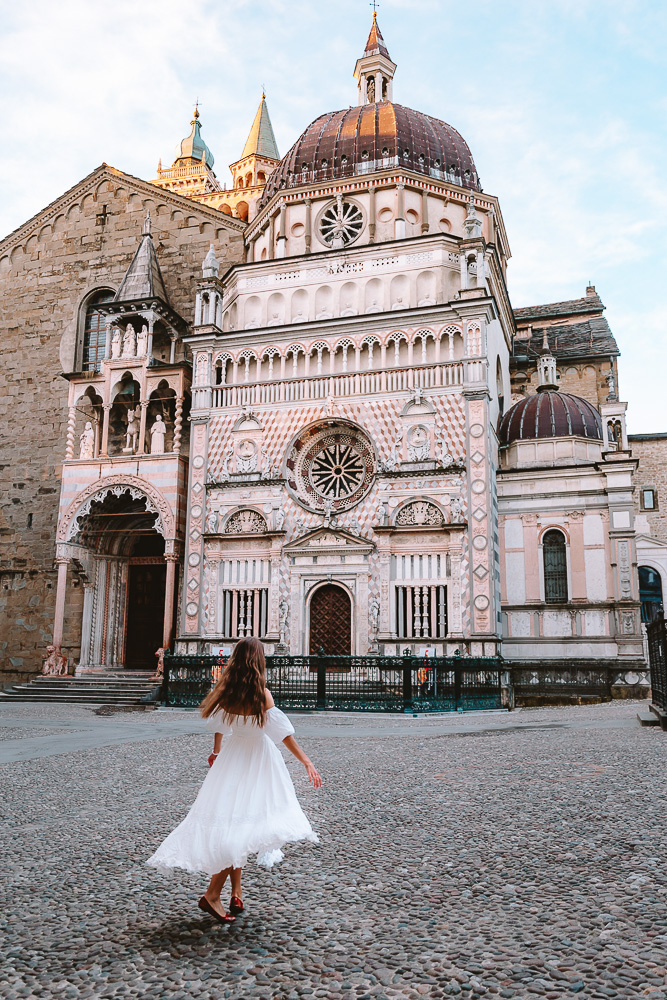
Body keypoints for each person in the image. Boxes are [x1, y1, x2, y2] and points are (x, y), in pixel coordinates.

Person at [146, 637, 321, 924]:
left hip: (232, 756)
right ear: (258, 661)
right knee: (243, 827)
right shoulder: (262, 695)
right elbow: (283, 735)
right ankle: (212, 894)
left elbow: (220, 725)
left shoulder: (227, 692)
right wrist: (306, 761)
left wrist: (216, 751)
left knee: (235, 822)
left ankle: (236, 892)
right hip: (257, 760)